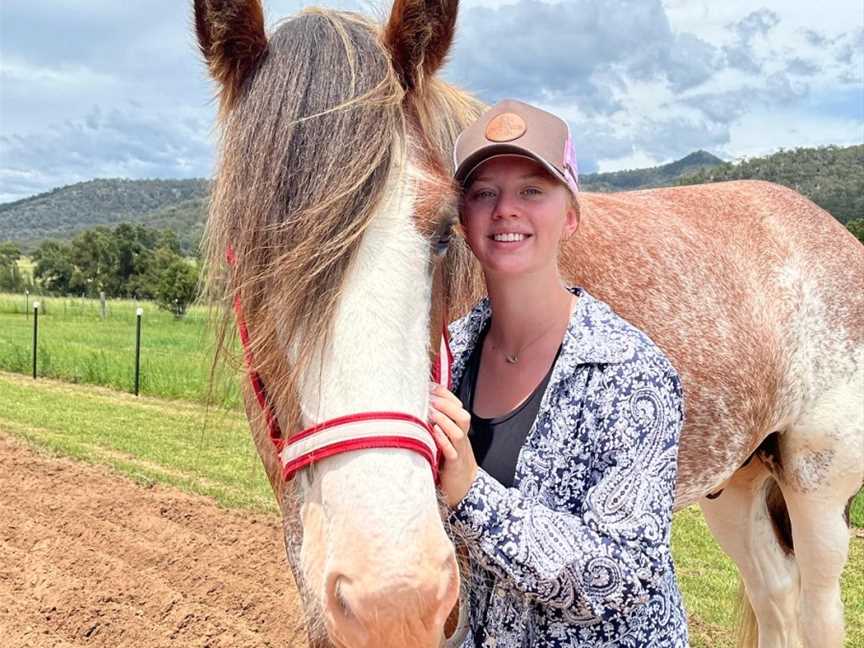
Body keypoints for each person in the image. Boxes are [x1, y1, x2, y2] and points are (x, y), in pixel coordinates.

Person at [428, 99, 688, 647]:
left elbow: (617, 575)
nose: (505, 210)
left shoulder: (632, 374)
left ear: (570, 215)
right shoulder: (449, 360)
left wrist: (471, 493)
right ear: (464, 219)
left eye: (532, 190)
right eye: (483, 193)